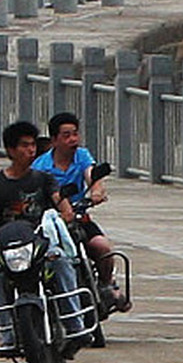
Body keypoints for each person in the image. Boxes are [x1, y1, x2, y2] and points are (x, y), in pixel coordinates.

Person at [0, 120, 80, 354]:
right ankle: (9, 336)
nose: (30, 150)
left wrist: (65, 213)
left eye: (32, 145)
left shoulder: (43, 179)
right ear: (10, 150)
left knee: (61, 262)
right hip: (12, 250)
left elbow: (60, 201)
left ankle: (75, 326)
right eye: (24, 146)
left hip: (42, 246)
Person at [32, 111, 125, 311]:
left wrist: (96, 191)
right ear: (54, 140)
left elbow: (92, 175)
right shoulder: (40, 166)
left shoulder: (82, 155)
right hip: (51, 222)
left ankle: (107, 284)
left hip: (78, 216)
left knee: (102, 247)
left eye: (75, 134)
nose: (73, 139)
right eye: (66, 135)